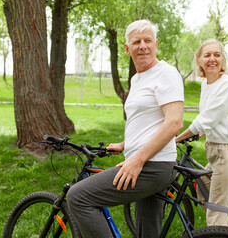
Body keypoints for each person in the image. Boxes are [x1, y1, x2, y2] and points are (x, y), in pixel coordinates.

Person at [67, 19, 184, 238]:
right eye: (136, 41)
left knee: (78, 196)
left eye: (148, 40)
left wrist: (137, 160)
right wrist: (125, 145)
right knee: (147, 233)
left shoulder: (166, 73)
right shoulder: (139, 78)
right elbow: (147, 121)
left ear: (156, 44)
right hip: (147, 161)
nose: (143, 46)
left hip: (152, 165)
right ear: (127, 48)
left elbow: (174, 122)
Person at [175, 39, 228, 227]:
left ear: (223, 60)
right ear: (199, 60)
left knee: (215, 217)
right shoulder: (206, 84)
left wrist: (177, 138)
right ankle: (227, 230)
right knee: (202, 188)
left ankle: (221, 229)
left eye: (217, 54)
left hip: (227, 153)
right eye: (207, 55)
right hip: (215, 151)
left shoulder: (227, 84)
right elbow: (213, 116)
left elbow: (206, 118)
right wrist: (202, 132)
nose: (212, 59)